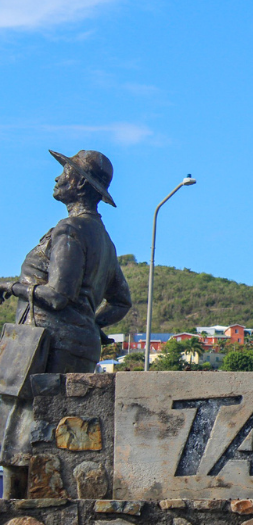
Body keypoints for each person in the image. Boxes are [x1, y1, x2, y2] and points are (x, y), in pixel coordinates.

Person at [0, 150, 131, 497]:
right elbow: (121, 301)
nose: (57, 179)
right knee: (58, 435)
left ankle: (16, 508)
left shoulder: (71, 228)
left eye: (64, 172)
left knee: (23, 430)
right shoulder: (104, 238)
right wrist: (90, 322)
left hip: (45, 345)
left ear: (78, 183)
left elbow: (58, 295)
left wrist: (8, 286)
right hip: (77, 344)